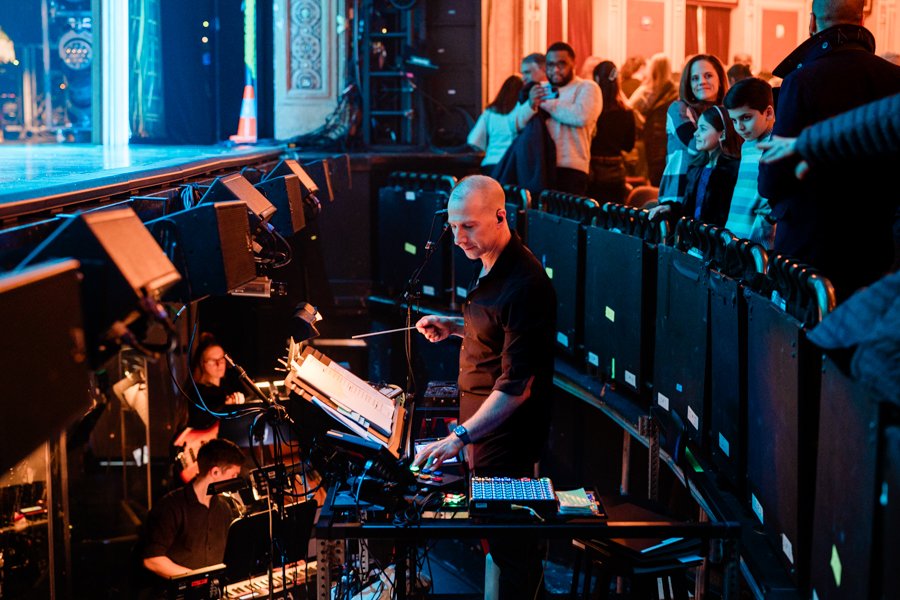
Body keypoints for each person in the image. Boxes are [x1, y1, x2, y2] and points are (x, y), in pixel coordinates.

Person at [413, 176, 556, 599]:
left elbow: (517, 388)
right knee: (496, 545)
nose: (458, 238)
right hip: (481, 433)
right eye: (453, 226)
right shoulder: (491, 264)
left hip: (504, 439)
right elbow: (496, 331)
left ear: (500, 216)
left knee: (513, 555)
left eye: (468, 227)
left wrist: (458, 437)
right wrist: (455, 326)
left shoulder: (525, 284)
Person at [757, 0, 900, 301]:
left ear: (812, 22)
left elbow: (773, 176)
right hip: (877, 246)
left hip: (811, 249)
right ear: (862, 20)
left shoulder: (800, 80)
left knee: (809, 328)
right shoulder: (894, 78)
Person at [141, 439, 245, 579]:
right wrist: (199, 579)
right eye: (233, 475)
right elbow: (152, 560)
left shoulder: (224, 508)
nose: (235, 480)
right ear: (215, 472)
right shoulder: (170, 506)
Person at [516, 41, 603, 195]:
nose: (555, 69)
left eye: (562, 64)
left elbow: (580, 116)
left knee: (569, 210)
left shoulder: (587, 87)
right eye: (551, 65)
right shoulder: (539, 89)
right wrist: (530, 104)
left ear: (573, 64)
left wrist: (544, 103)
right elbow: (515, 124)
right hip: (539, 166)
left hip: (571, 167)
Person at [649, 105, 742, 227]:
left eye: (703, 129)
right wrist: (671, 208)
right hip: (693, 236)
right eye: (697, 128)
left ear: (722, 134)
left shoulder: (733, 170)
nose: (695, 133)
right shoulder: (696, 169)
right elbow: (688, 210)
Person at [657, 54, 728, 206]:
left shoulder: (728, 112)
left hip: (713, 195)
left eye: (708, 75)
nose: (701, 81)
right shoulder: (678, 109)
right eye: (695, 78)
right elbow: (695, 147)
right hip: (678, 194)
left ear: (720, 80)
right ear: (688, 84)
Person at [723, 77, 777, 248]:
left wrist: (761, 230)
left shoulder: (776, 144)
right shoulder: (746, 145)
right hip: (734, 235)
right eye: (734, 120)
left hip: (757, 243)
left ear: (768, 113)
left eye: (746, 117)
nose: (739, 127)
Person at [588, 61, 636, 203]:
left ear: (596, 79)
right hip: (615, 170)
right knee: (614, 211)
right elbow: (628, 146)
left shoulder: (591, 110)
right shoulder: (626, 111)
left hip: (592, 169)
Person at [628, 52, 679, 186]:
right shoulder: (675, 91)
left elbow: (629, 108)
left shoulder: (646, 91)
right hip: (669, 139)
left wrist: (642, 122)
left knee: (653, 178)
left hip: (651, 140)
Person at [183, 333, 246, 432]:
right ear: (201, 364)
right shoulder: (196, 393)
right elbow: (200, 422)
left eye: (221, 359)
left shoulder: (228, 387)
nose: (219, 364)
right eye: (212, 360)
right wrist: (226, 405)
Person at [467, 75, 526, 175]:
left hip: (489, 163)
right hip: (510, 164)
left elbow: (474, 140)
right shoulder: (521, 110)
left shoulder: (490, 112)